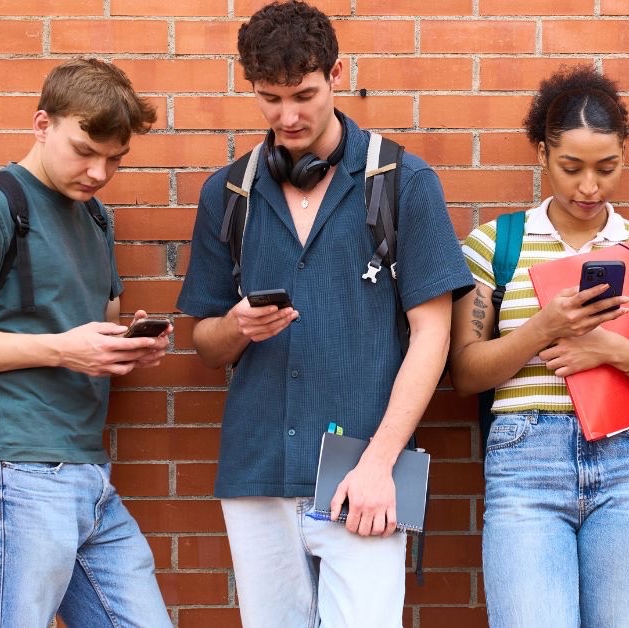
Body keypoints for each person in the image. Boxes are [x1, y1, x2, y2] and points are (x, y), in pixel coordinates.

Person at [175, 2, 473, 626]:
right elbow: (203, 342)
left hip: (363, 473)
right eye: (270, 98)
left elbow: (433, 334)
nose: (288, 116)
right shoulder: (226, 193)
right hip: (257, 469)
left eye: (305, 95)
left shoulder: (403, 181)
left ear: (338, 73)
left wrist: (379, 463)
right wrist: (236, 328)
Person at [0, 59, 171, 627]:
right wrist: (61, 349)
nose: (99, 172)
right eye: (84, 150)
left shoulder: (93, 216)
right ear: (42, 124)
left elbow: (89, 320)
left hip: (86, 473)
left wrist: (126, 342)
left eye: (115, 159)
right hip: (14, 471)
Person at [449, 65, 629, 628]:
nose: (589, 187)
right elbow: (465, 372)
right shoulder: (496, 244)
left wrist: (613, 351)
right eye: (571, 168)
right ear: (542, 153)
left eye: (606, 168)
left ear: (623, 157)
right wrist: (544, 327)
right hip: (525, 461)